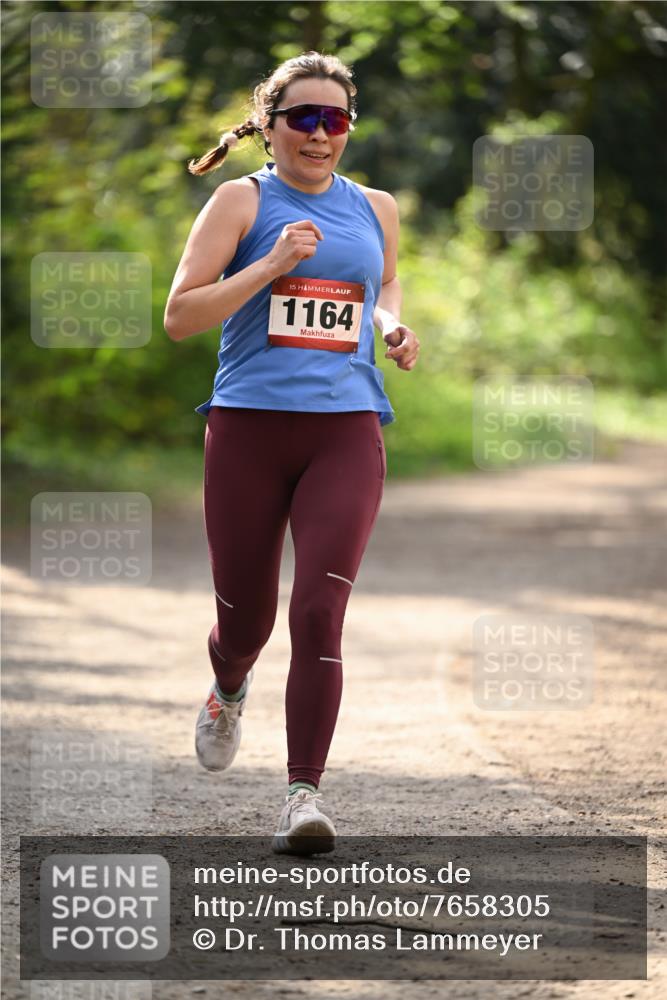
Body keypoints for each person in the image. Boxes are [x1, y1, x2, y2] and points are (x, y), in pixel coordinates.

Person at [164, 51, 420, 855]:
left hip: (345, 428)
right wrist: (270, 265)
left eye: (334, 120)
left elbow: (379, 291)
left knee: (319, 609)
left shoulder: (375, 206)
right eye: (302, 118)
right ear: (268, 126)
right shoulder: (238, 201)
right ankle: (228, 681)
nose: (319, 134)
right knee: (246, 619)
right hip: (246, 427)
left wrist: (391, 328)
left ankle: (301, 796)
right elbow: (180, 315)